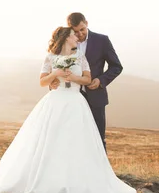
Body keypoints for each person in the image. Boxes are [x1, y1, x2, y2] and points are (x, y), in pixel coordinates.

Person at [0, 26, 137, 193]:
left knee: (76, 142)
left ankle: (77, 182)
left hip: (76, 103)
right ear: (65, 38)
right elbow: (42, 81)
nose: (76, 38)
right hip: (55, 101)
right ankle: (46, 181)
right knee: (50, 141)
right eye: (72, 35)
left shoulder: (80, 56)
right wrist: (55, 74)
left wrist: (74, 77)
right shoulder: (50, 57)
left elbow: (87, 80)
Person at [51, 13, 123, 151]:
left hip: (95, 97)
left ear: (87, 23)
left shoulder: (102, 40)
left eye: (82, 29)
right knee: (70, 137)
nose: (79, 34)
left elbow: (116, 66)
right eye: (76, 31)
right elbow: (54, 67)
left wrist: (101, 80)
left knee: (97, 138)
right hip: (69, 99)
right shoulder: (64, 42)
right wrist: (53, 83)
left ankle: (101, 171)